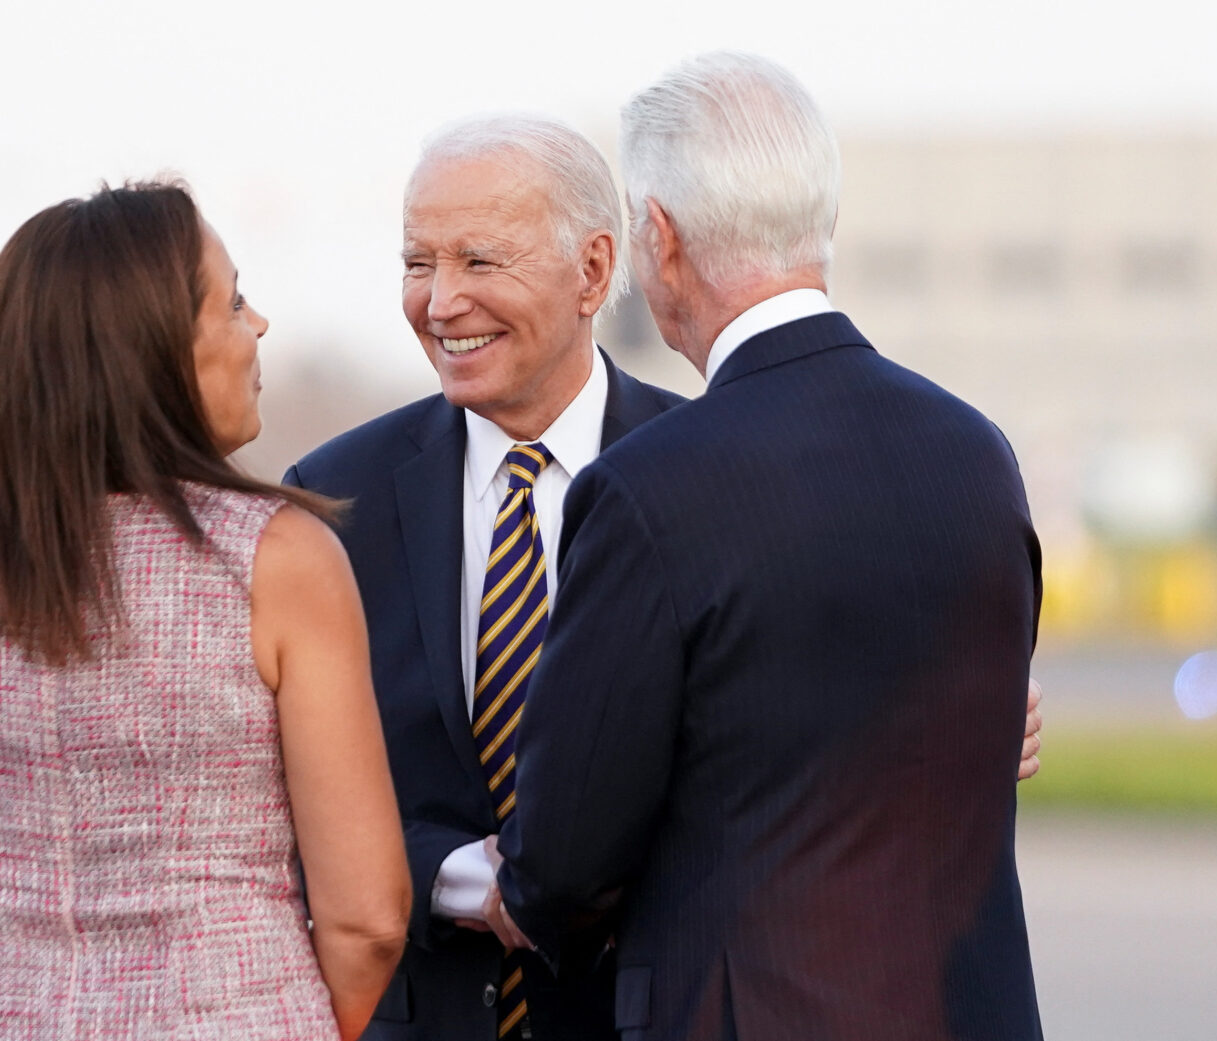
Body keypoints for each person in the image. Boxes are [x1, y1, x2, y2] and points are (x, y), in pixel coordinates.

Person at [286, 116, 1045, 1041]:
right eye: (418, 263)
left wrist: (961, 710)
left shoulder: (714, 479)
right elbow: (279, 788)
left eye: (480, 263)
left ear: (597, 271)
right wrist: (467, 879)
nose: (441, 301)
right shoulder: (328, 502)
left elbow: (787, 728)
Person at [494, 53, 1045, 1041]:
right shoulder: (978, 455)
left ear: (658, 238)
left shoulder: (650, 489)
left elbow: (565, 857)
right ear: (819, 221)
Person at [0, 181, 410, 1041]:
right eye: (233, 301)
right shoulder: (277, 555)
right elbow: (367, 918)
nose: (259, 325)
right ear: (153, 347)